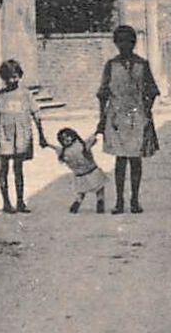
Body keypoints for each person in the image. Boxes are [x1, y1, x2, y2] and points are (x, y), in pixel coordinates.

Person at [94, 25, 160, 214]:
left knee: (136, 160)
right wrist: (102, 118)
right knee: (120, 160)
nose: (125, 46)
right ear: (116, 43)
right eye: (121, 42)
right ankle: (119, 201)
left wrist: (146, 112)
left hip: (137, 117)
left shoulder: (142, 64)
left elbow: (152, 91)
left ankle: (135, 200)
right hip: (116, 119)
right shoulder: (111, 65)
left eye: (129, 42)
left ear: (134, 43)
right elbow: (102, 94)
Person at [0, 59, 48, 214]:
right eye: (9, 77)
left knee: (18, 169)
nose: (12, 80)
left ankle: (20, 201)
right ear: (3, 78)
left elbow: (36, 114)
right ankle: (6, 202)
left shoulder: (25, 94)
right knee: (4, 168)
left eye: (15, 76)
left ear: (20, 76)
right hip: (4, 137)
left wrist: (42, 135)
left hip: (21, 137)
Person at [56, 127, 109, 214]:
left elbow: (55, 148)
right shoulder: (82, 145)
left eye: (67, 137)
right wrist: (97, 132)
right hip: (92, 170)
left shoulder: (63, 151)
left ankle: (78, 201)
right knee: (99, 187)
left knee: (81, 191)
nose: (66, 139)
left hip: (79, 175)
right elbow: (91, 140)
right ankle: (100, 200)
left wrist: (46, 144)